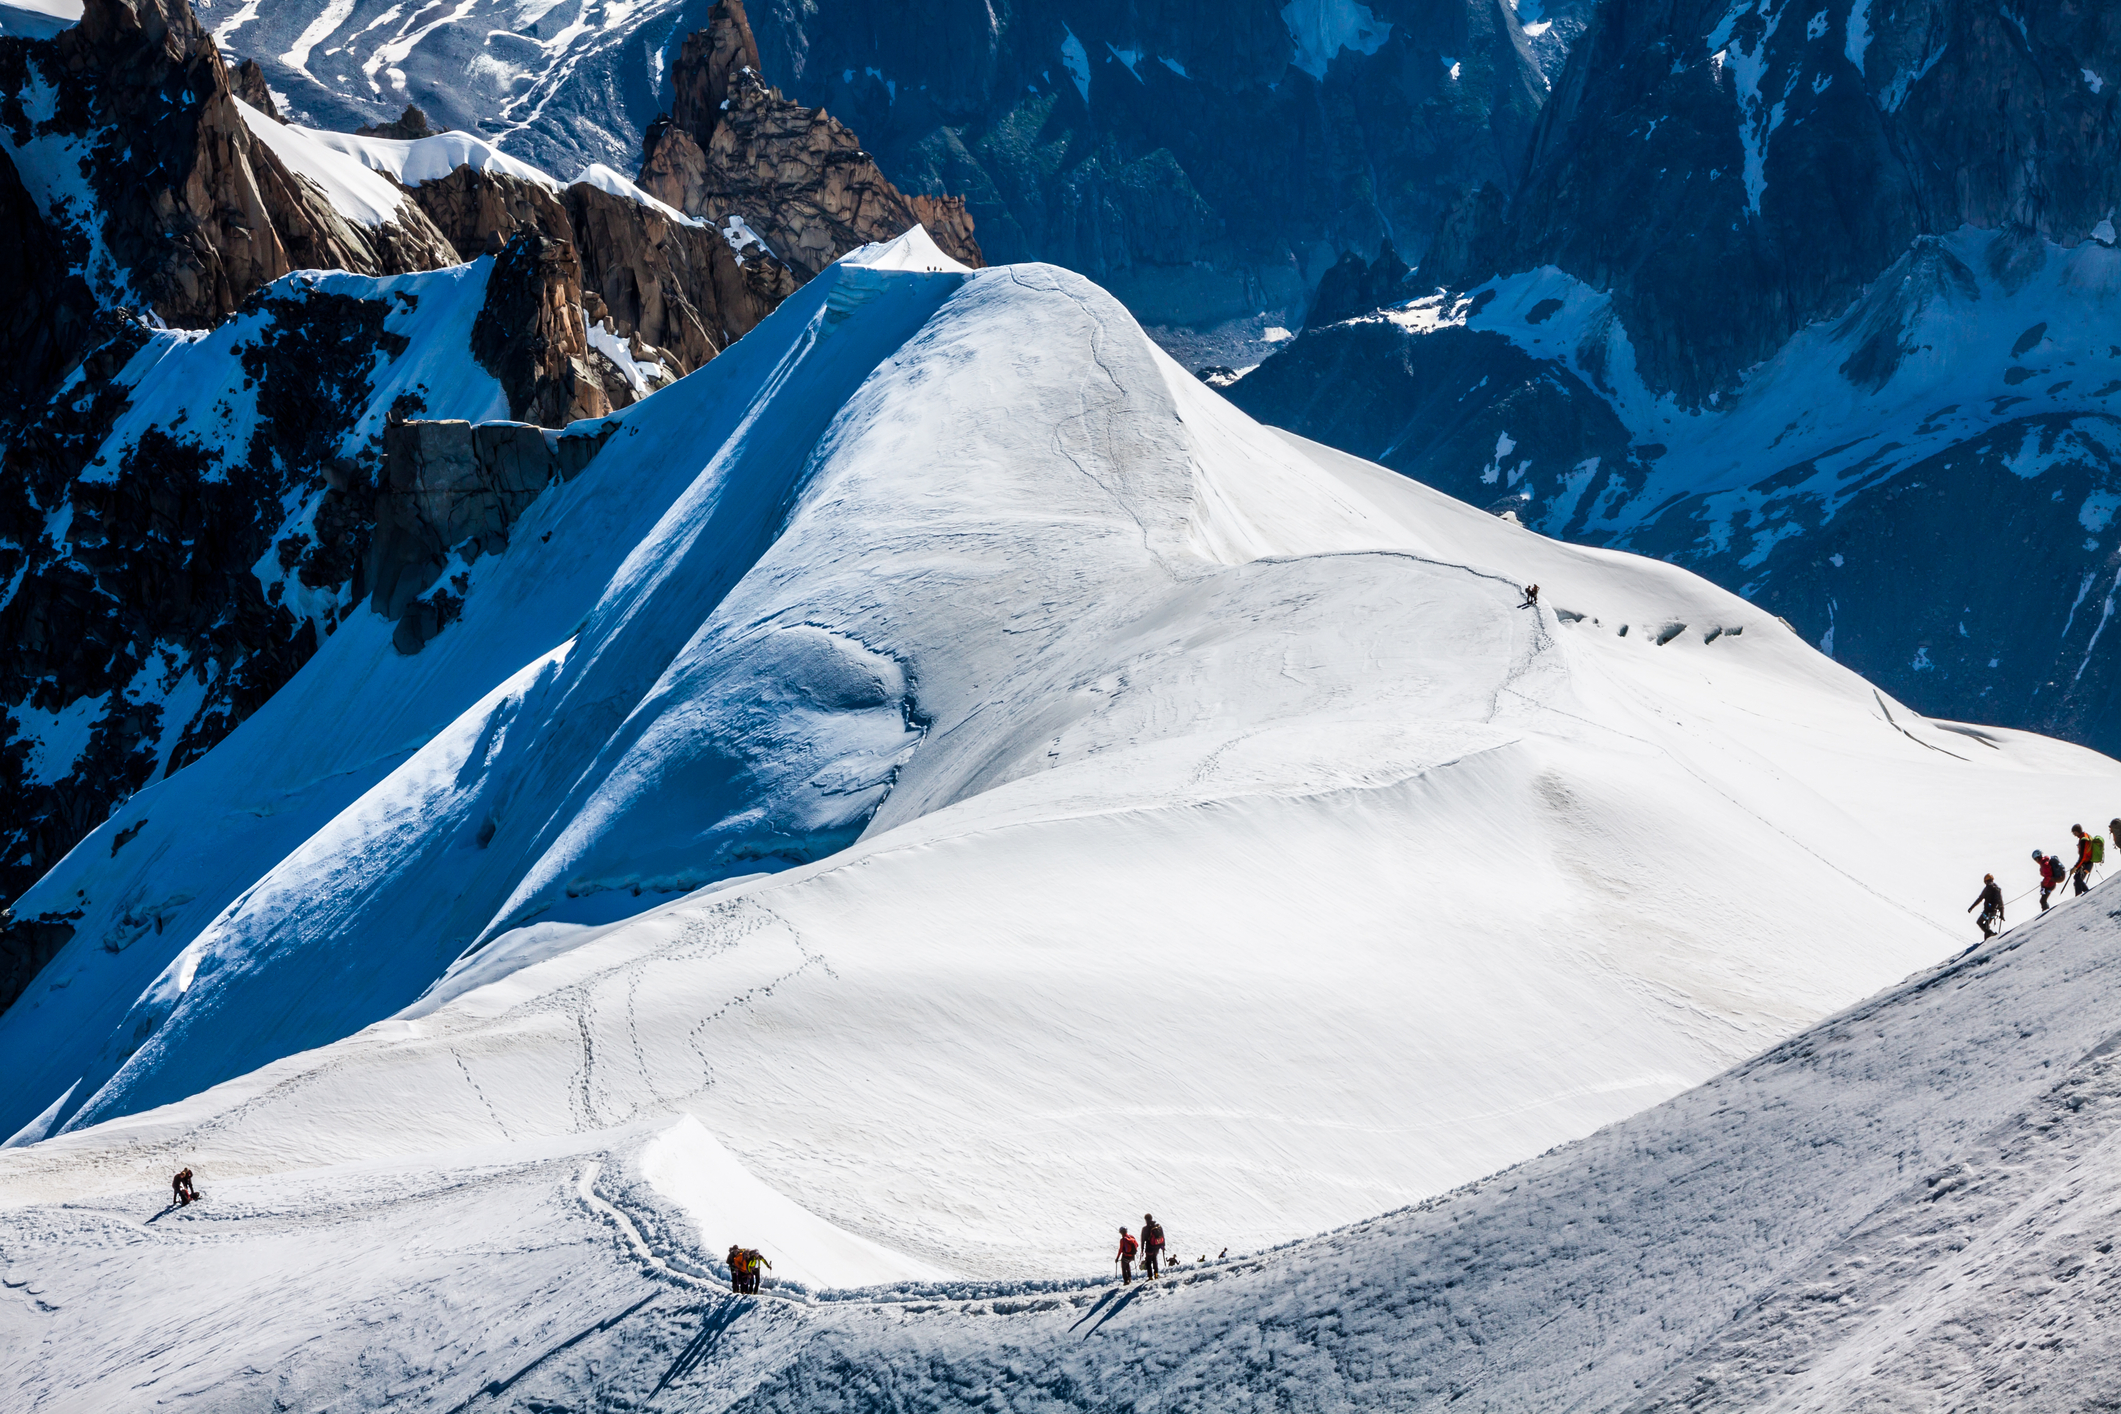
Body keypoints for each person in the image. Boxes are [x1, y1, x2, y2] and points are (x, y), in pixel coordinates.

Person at [1968, 874, 2005, 941]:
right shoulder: (1997, 889)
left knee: (1980, 923)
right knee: (1986, 926)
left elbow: (1979, 899)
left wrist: (1971, 907)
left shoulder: (1987, 889)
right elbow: (2001, 902)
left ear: (1985, 881)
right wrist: (2002, 914)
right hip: (1993, 912)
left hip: (1987, 911)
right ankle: (1989, 936)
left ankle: (1990, 935)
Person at [2073, 824, 2097, 895]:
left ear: (2077, 831)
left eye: (2074, 833)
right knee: (2077, 879)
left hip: (2086, 863)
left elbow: (2082, 856)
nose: (2074, 835)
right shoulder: (2085, 836)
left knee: (2078, 879)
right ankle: (2088, 894)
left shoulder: (2084, 839)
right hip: (2087, 863)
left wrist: (2075, 867)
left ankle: (2078, 898)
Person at [1141, 1213, 1166, 1279]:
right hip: (1157, 1246)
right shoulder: (1158, 1226)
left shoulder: (1145, 1229)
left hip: (1149, 1247)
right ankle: (1156, 1274)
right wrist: (1163, 1245)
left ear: (1146, 1219)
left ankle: (1150, 1276)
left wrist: (1142, 1250)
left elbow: (1143, 1240)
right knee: (1155, 1260)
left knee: (1148, 1262)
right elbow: (1162, 1236)